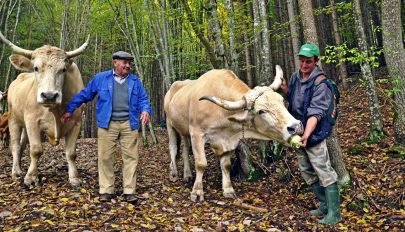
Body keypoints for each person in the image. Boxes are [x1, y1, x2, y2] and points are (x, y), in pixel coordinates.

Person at [61, 51, 152, 203]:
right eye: (124, 62)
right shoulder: (101, 79)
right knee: (105, 157)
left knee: (131, 158)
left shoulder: (135, 81)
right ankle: (106, 190)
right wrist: (69, 109)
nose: (128, 66)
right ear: (115, 63)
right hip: (107, 124)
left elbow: (144, 99)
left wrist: (145, 110)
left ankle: (129, 191)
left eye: (129, 63)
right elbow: (84, 95)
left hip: (129, 124)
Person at [279, 43, 341, 225]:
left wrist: (307, 135)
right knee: (306, 168)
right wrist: (285, 89)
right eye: (302, 61)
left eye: (309, 62)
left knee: (323, 168)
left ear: (316, 61)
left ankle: (334, 213)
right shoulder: (295, 76)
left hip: (314, 132)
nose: (304, 65)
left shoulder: (320, 83)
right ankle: (323, 205)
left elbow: (315, 112)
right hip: (297, 129)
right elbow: (294, 99)